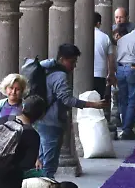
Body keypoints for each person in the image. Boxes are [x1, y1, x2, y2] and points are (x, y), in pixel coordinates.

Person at [35, 44, 106, 176]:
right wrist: (93, 105)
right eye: (72, 62)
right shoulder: (59, 76)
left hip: (41, 119)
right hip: (52, 121)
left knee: (42, 160)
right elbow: (67, 99)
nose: (74, 66)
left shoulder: (47, 71)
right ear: (62, 59)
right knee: (49, 164)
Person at [92, 12, 115, 129]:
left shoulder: (81, 35)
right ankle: (99, 127)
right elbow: (111, 59)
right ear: (99, 23)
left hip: (85, 74)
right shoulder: (105, 37)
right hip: (100, 73)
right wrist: (111, 74)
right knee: (99, 101)